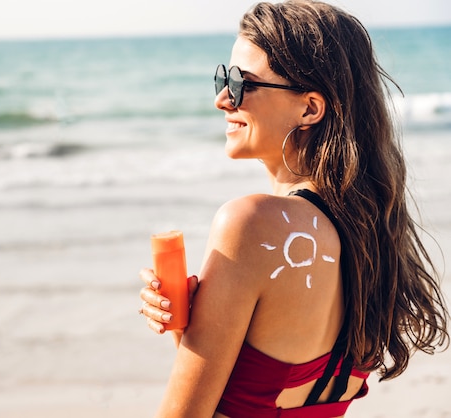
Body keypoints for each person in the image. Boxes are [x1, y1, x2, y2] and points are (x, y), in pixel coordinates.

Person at [138, 1, 450, 417]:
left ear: (309, 108)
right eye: (224, 79)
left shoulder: (251, 224)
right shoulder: (372, 237)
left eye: (242, 84)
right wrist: (192, 327)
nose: (222, 100)